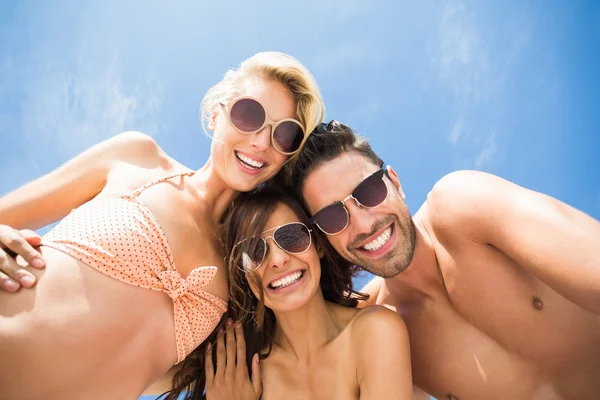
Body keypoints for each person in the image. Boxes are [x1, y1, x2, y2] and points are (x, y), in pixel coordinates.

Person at [0, 51, 325, 399]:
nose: (261, 142)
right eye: (249, 114)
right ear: (217, 114)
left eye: (285, 135)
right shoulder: (136, 158)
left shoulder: (246, 271)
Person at [291, 120, 600, 400]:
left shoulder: (462, 208)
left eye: (369, 190)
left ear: (395, 182)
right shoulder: (382, 331)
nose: (362, 224)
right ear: (324, 239)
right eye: (333, 217)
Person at [170, 188, 413, 399]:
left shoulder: (376, 331)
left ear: (318, 244)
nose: (277, 260)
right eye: (255, 251)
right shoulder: (237, 374)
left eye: (292, 237)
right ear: (242, 273)